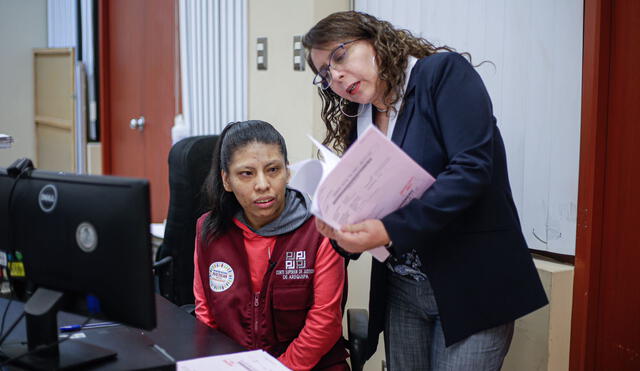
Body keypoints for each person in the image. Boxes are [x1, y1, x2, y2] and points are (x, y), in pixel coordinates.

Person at [302, 11, 549, 371]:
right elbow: (376, 203)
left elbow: (470, 171)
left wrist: (388, 230)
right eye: (324, 75)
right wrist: (340, 230)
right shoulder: (363, 118)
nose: (336, 76)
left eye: (339, 56)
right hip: (402, 291)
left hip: (470, 283)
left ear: (374, 40)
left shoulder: (441, 74)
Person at [193, 120, 349, 370]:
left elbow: (325, 322)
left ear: (288, 172)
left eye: (273, 170)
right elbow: (206, 315)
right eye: (247, 173)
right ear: (226, 180)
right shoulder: (209, 230)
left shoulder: (320, 228)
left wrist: (280, 368)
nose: (263, 184)